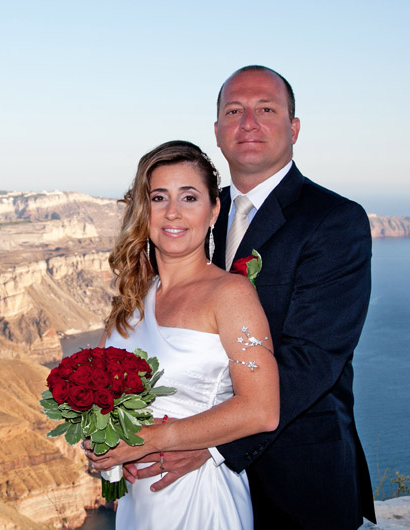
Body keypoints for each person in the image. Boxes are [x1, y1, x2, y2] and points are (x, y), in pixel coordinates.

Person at [128, 66, 376, 529]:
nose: (248, 122)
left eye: (266, 109)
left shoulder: (334, 220)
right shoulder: (193, 209)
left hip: (298, 478)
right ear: (218, 132)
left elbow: (314, 358)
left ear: (294, 127)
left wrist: (212, 443)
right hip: (183, 486)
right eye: (234, 111)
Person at [85, 140, 280, 529]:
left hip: (200, 498)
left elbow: (262, 410)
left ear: (214, 210)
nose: (172, 212)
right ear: (145, 211)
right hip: (138, 503)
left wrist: (152, 439)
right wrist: (102, 447)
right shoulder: (133, 299)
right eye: (159, 197)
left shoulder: (231, 295)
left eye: (189, 197)